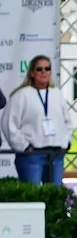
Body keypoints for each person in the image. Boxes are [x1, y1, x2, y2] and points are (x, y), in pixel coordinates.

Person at [4, 56, 72, 185]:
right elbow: (9, 124)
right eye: (39, 69)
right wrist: (24, 146)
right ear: (32, 72)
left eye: (47, 68)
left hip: (56, 154)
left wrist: (66, 142)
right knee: (32, 196)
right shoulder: (21, 95)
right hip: (32, 155)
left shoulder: (56, 93)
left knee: (54, 197)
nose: (44, 72)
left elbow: (67, 122)